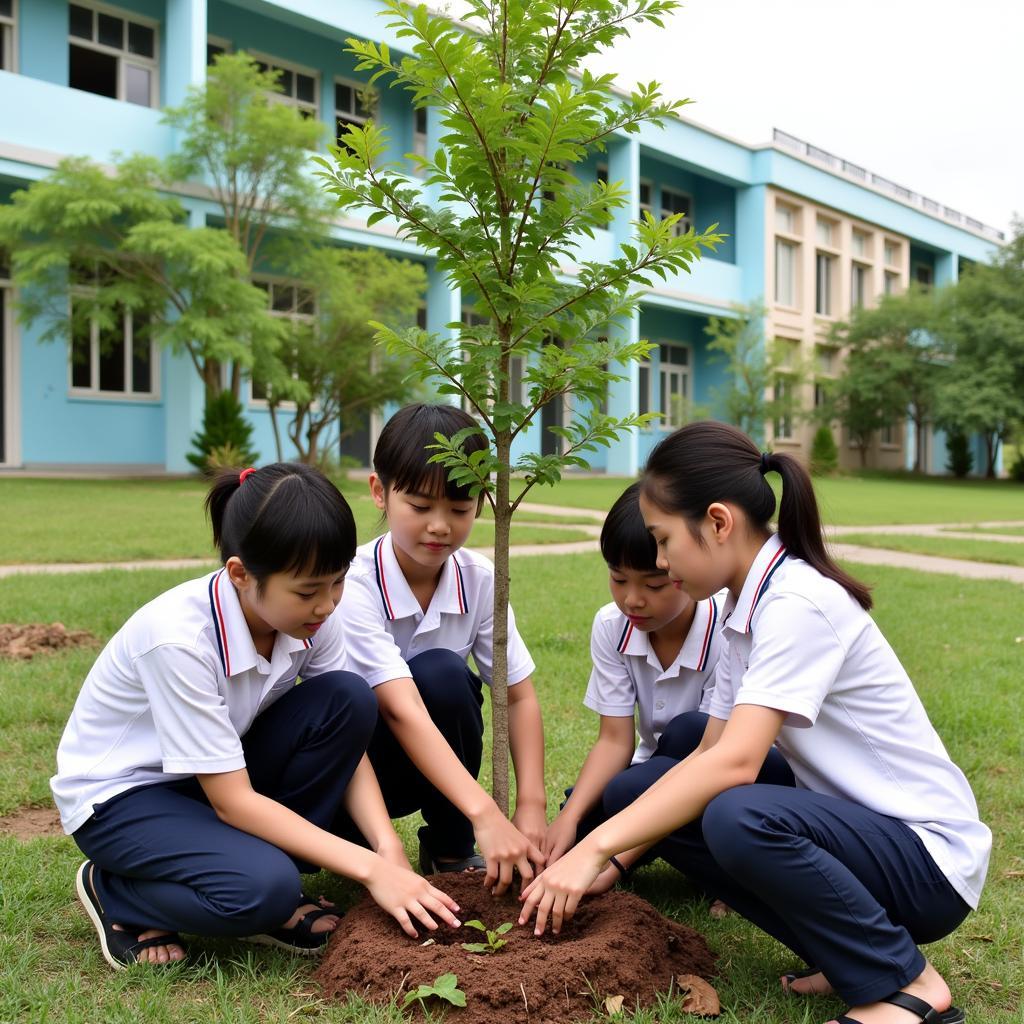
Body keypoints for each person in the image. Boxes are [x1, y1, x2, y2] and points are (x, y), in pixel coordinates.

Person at [519, 422, 989, 1024]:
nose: (660, 561)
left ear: (718, 523)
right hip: (861, 837)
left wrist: (594, 848)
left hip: (926, 857)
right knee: (648, 789)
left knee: (737, 814)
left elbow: (735, 764)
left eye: (663, 542)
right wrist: (603, 855)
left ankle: (909, 983)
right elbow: (706, 752)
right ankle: (843, 953)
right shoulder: (747, 608)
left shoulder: (797, 604)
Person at [52, 463, 460, 970]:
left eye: (337, 583)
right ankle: (117, 891)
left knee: (348, 696)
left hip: (211, 772)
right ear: (240, 574)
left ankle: (254, 874)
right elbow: (233, 802)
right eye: (308, 591)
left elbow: (347, 734)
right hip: (124, 799)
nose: (328, 604)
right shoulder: (179, 641)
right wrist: (371, 871)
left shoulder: (315, 613)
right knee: (263, 892)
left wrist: (385, 848)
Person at [341, 403, 546, 894]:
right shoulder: (352, 583)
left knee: (445, 677)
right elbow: (399, 708)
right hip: (361, 772)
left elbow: (518, 695)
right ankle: (369, 844)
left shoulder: (477, 580)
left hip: (438, 768)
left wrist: (531, 807)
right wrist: (487, 812)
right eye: (419, 506)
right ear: (379, 493)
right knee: (431, 671)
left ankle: (451, 848)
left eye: (459, 509)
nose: (440, 526)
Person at [543, 482, 792, 873]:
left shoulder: (726, 631)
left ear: (678, 570)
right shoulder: (612, 625)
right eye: (618, 580)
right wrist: (570, 819)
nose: (633, 600)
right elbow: (614, 740)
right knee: (595, 811)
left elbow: (712, 755)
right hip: (655, 771)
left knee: (684, 732)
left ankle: (731, 871)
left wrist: (615, 862)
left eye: (654, 584)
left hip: (731, 777)